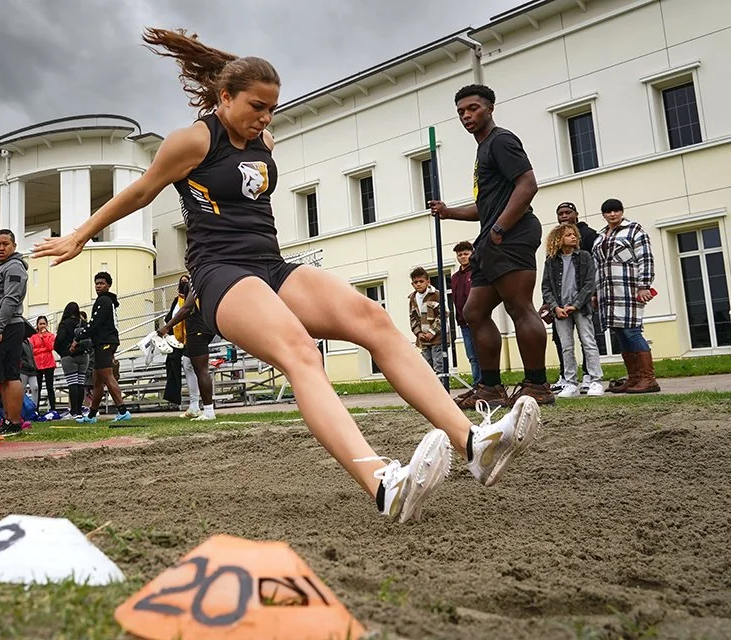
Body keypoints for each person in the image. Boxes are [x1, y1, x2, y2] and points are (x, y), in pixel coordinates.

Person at [33, 29, 542, 523]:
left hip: (272, 265)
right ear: (225, 97)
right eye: (256, 107)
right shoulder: (192, 142)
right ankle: (381, 482)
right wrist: (81, 234)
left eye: (271, 108)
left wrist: (259, 121)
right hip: (220, 274)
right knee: (299, 351)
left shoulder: (263, 140)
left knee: (373, 319)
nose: (265, 118)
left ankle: (473, 443)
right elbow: (142, 192)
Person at [430, 84, 554, 410]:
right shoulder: (482, 149)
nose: (466, 116)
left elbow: (528, 184)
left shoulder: (501, 140)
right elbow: (484, 207)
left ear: (490, 108)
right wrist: (449, 212)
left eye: (473, 108)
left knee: (519, 307)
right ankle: (490, 388)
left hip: (511, 235)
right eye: (461, 112)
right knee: (473, 312)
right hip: (490, 239)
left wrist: (500, 227)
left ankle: (537, 386)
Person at [592, 198, 660, 393]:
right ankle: (634, 378)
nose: (612, 214)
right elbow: (596, 267)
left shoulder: (634, 230)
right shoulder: (600, 237)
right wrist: (595, 293)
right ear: (603, 215)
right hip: (608, 293)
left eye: (616, 211)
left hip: (629, 289)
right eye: (608, 212)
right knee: (620, 332)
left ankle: (649, 379)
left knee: (632, 331)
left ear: (621, 212)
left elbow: (645, 258)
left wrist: (644, 285)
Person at [541, 223, 603, 397]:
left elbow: (589, 283)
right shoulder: (551, 261)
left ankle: (595, 380)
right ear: (558, 239)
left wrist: (576, 304)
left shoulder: (584, 256)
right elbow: (546, 287)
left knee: (588, 343)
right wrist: (555, 307)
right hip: (560, 310)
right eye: (568, 235)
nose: (573, 237)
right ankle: (570, 383)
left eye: (574, 234)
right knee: (566, 346)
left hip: (581, 308)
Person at [0, 229, 29, 435]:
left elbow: (11, 299)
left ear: (14, 246)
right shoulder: (1, 267)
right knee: (0, 377)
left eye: (5, 244)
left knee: (10, 375)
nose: (1, 248)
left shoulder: (14, 267)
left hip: (7, 326)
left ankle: (14, 422)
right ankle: (8, 420)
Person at [158, 276, 216, 421]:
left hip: (198, 328)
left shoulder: (196, 281)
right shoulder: (204, 281)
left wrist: (167, 326)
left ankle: (209, 411)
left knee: (201, 369)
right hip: (200, 328)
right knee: (187, 363)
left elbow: (187, 308)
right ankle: (194, 405)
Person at [84, 272, 131, 423]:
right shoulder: (107, 300)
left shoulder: (103, 300)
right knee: (97, 380)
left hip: (105, 342)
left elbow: (95, 323)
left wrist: (79, 337)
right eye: (96, 283)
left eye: (102, 283)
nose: (98, 286)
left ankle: (123, 411)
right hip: (103, 342)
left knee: (107, 376)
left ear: (108, 285)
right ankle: (91, 415)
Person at [450, 241, 481, 385]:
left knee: (482, 353)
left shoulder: (477, 271)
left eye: (466, 254)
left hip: (479, 321)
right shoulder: (455, 277)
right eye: (459, 254)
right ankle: (477, 383)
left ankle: (486, 383)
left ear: (472, 254)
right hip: (463, 322)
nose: (462, 257)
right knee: (472, 356)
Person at [54, 302, 90, 419]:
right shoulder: (84, 323)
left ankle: (74, 411)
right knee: (81, 383)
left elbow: (58, 341)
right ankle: (79, 410)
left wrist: (65, 353)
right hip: (84, 356)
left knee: (72, 383)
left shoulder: (64, 324)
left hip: (69, 357)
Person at [161, 276, 190, 411]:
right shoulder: (176, 301)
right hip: (175, 339)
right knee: (171, 364)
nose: (184, 283)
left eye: (186, 281)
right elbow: (170, 317)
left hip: (189, 337)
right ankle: (173, 398)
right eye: (182, 281)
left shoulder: (191, 299)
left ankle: (196, 400)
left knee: (191, 367)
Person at [408, 267, 444, 375]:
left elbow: (443, 314)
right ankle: (429, 391)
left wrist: (432, 332)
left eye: (421, 281)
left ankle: (441, 389)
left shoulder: (436, 295)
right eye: (416, 282)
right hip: (423, 339)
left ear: (428, 282)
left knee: (439, 365)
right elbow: (412, 317)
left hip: (437, 338)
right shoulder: (412, 298)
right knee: (426, 367)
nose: (418, 284)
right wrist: (418, 333)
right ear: (412, 284)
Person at [29, 315, 58, 412]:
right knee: (38, 388)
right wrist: (42, 349)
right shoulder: (33, 336)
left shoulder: (51, 336)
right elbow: (32, 350)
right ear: (37, 325)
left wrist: (44, 338)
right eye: (40, 324)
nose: (42, 326)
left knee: (50, 387)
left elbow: (50, 347)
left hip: (49, 364)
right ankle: (36, 409)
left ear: (47, 324)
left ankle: (53, 408)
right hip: (37, 365)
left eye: (44, 324)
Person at [20, 335, 39, 407]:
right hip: (24, 369)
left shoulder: (29, 343)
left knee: (35, 387)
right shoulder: (19, 342)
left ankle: (34, 407)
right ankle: (22, 408)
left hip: (31, 369)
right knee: (22, 388)